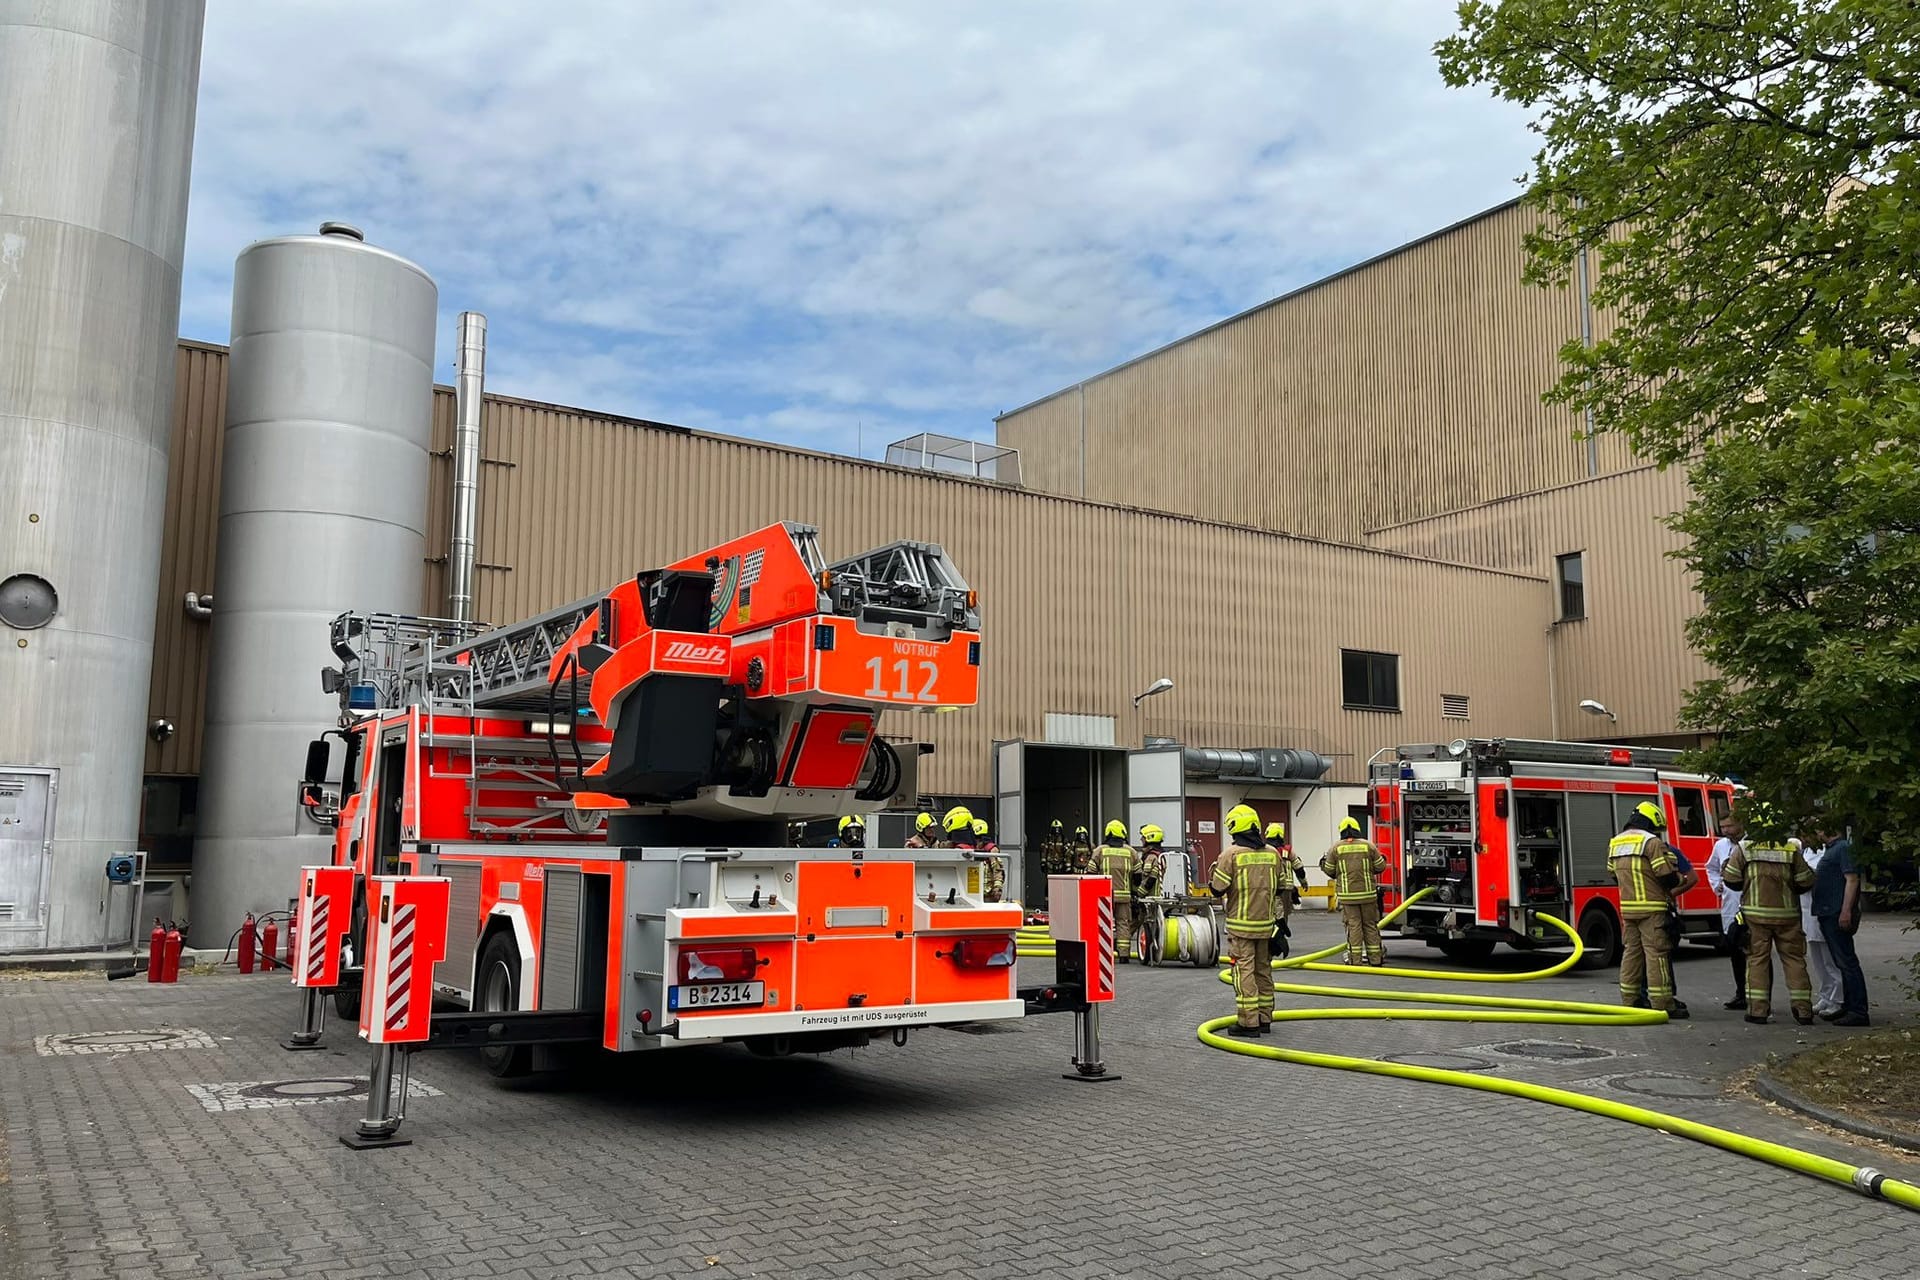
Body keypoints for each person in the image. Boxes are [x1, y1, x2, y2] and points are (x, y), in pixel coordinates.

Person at [1720, 803, 1816, 1025]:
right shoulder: (1790, 848)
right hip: (1788, 916)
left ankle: (1758, 1011)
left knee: (1757, 961)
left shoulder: (1744, 848)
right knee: (1794, 961)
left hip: (1755, 917)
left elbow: (1731, 880)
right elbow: (1805, 881)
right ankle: (1803, 1010)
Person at [1609, 800, 1689, 1019]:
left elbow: (1613, 874)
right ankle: (1663, 1004)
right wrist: (1679, 877)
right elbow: (1665, 874)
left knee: (1631, 954)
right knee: (1656, 955)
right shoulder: (1651, 842)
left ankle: (1630, 1000)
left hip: (1628, 908)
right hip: (1652, 908)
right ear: (1651, 823)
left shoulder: (1615, 842)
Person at [1210, 804, 1279, 1037]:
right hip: (1266, 926)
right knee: (1263, 970)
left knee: (1244, 972)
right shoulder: (1273, 853)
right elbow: (1279, 887)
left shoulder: (1230, 855)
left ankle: (1248, 1023)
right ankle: (1265, 1018)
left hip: (1241, 927)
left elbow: (1218, 889)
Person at [1810, 825, 1871, 1026]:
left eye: (1818, 829)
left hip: (1836, 912)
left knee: (1847, 962)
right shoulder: (1832, 849)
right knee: (1841, 962)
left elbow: (1851, 879)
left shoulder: (1843, 848)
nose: (1816, 833)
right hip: (1828, 911)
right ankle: (1849, 1005)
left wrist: (1846, 910)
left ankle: (1858, 1011)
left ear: (1827, 829)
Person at [1320, 816, 1387, 966]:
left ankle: (1355, 960)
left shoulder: (1336, 848)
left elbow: (1329, 870)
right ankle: (1376, 959)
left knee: (1354, 925)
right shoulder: (1368, 846)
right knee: (1370, 925)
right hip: (1368, 894)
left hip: (1348, 896)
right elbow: (1380, 867)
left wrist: (1323, 863)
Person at [1705, 809, 1748, 1010]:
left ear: (1740, 824)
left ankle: (1758, 995)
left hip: (1750, 904)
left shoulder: (1750, 844)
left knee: (1755, 952)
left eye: (1729, 826)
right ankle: (1741, 993)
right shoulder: (1721, 845)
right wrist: (1717, 885)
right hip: (1730, 905)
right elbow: (1711, 867)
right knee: (1734, 950)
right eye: (1722, 827)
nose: (1725, 831)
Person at [1800, 838, 1842, 1018]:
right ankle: (1826, 995)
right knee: (1817, 959)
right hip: (1807, 911)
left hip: (1823, 910)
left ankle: (1838, 999)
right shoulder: (1806, 851)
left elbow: (1818, 876)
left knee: (1830, 960)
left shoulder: (1827, 852)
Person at [1095, 820, 1139, 962]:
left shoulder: (1100, 851)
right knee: (1123, 923)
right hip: (1124, 897)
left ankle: (1102, 953)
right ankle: (1124, 955)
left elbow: (1089, 871)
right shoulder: (1131, 851)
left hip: (1104, 895)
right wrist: (1135, 892)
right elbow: (1138, 876)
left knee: (1102, 923)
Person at [1265, 822, 1308, 960]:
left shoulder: (1265, 851)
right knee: (1284, 915)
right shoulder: (1288, 851)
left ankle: (1272, 938)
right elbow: (1299, 868)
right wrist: (1303, 882)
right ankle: (1280, 936)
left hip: (1271, 887)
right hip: (1287, 888)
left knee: (1272, 913)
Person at [971, 817, 1006, 903]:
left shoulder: (991, 850)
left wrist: (997, 888)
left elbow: (997, 870)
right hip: (972, 892)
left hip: (988, 895)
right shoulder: (970, 849)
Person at [1135, 824, 1169, 899]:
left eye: (1143, 837)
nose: (1141, 839)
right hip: (1154, 896)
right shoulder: (1159, 855)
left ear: (1149, 838)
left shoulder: (1151, 857)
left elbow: (1149, 878)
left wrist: (1139, 894)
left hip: (1150, 898)